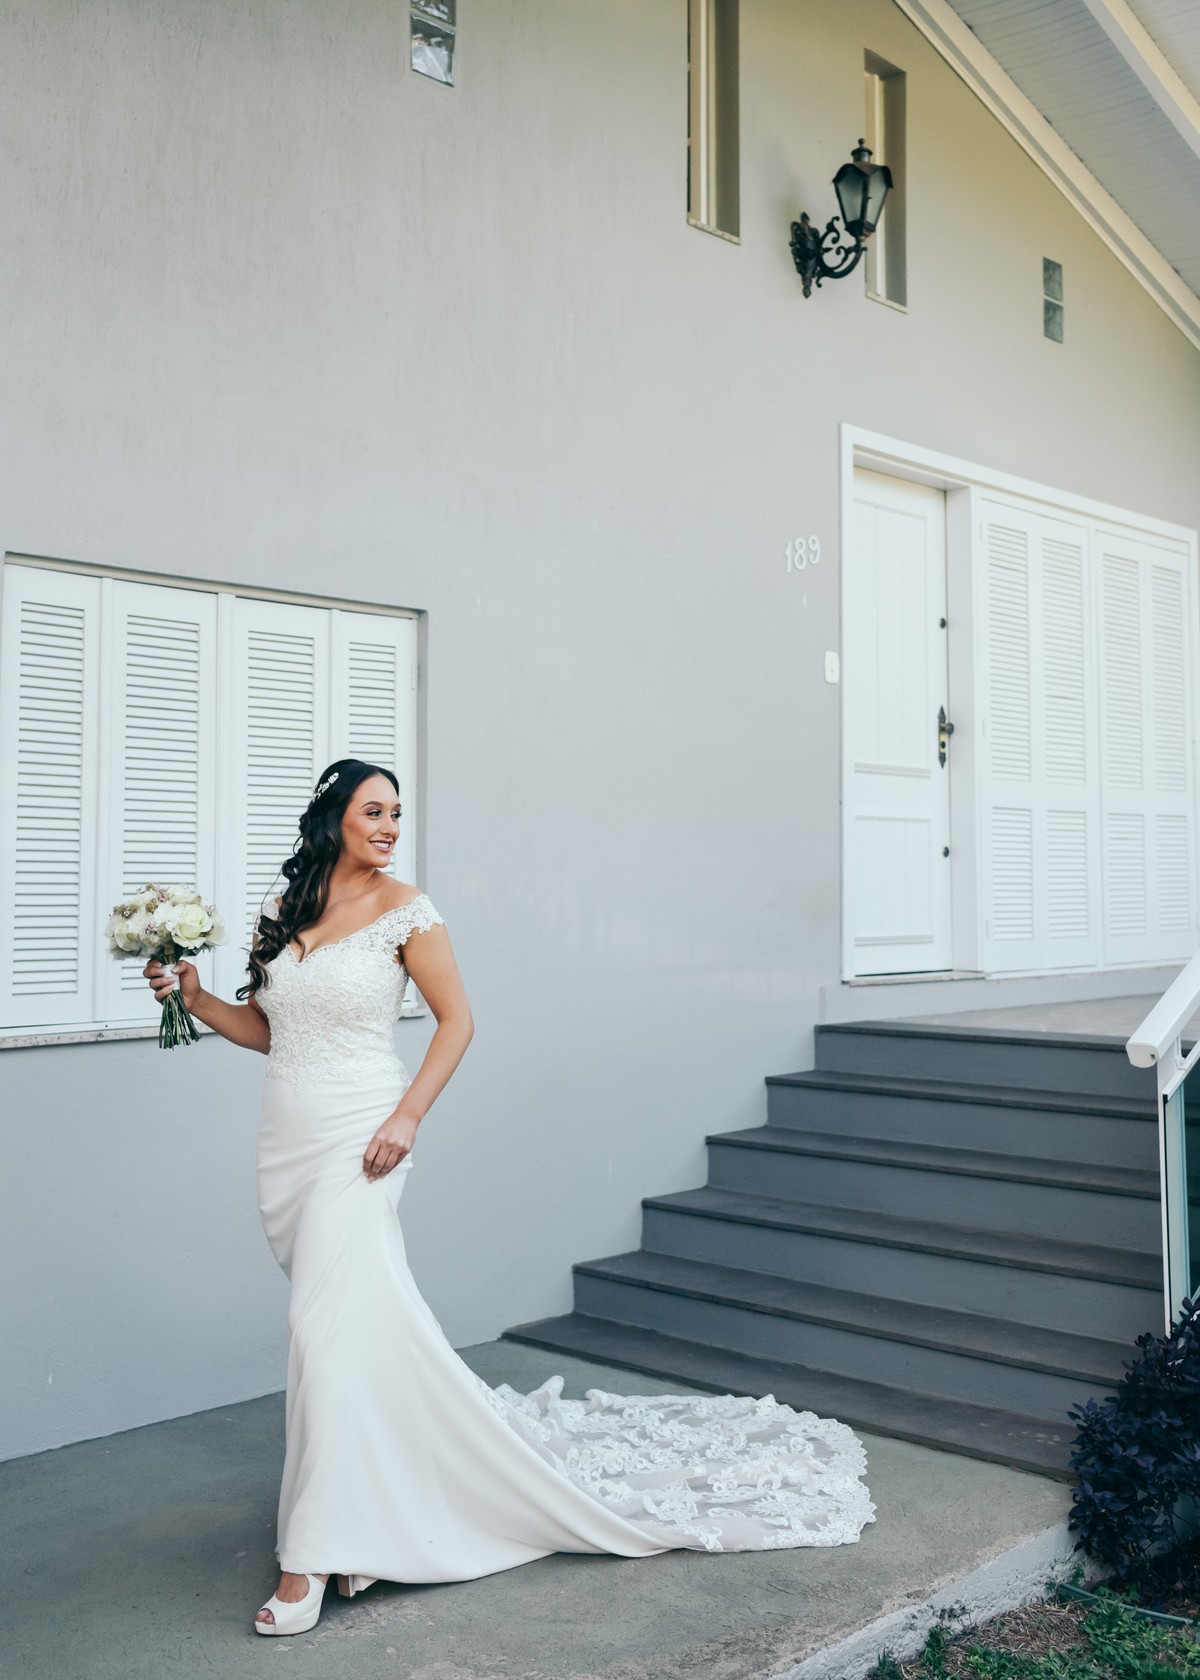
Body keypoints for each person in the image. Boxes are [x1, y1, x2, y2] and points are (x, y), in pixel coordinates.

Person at [145, 759, 875, 1637]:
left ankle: (313, 1553)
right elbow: (269, 1030)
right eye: (374, 811)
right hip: (287, 1141)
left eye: (397, 814)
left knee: (323, 1331)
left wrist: (408, 1117)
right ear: (332, 818)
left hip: (364, 1138)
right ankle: (374, 1510)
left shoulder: (406, 909)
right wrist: (195, 999)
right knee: (353, 1330)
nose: (388, 827)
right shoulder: (284, 912)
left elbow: (459, 1021)